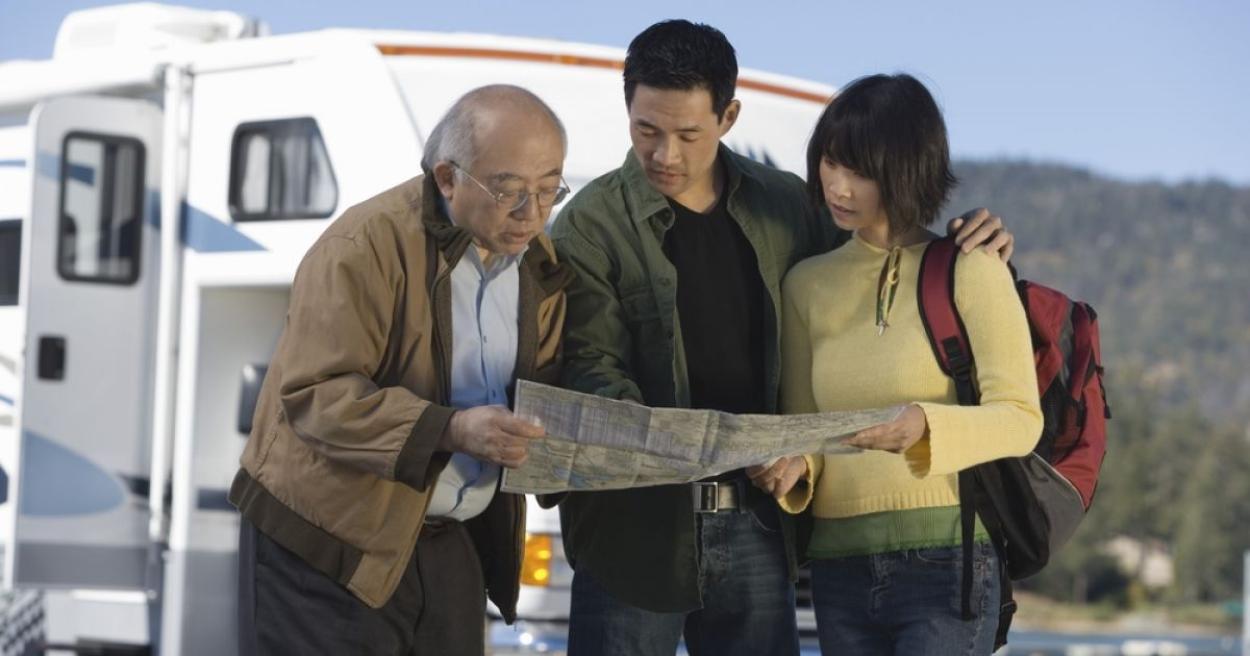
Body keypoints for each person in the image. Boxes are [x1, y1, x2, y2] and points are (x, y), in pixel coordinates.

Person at [548, 20, 1015, 656]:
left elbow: (880, 264)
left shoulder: (787, 205)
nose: (666, 155)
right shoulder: (590, 223)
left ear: (729, 116)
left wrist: (975, 241)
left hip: (759, 522)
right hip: (637, 523)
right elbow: (590, 366)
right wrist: (682, 442)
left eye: (688, 134)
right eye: (646, 131)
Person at [229, 85, 573, 656]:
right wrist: (452, 430)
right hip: (328, 542)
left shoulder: (541, 267)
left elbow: (543, 388)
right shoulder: (362, 245)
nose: (531, 213)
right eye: (510, 190)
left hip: (449, 542)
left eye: (548, 190)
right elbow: (316, 395)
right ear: (447, 178)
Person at [775, 73, 1044, 655]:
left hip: (947, 560)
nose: (838, 186)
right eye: (830, 162)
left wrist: (926, 424)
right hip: (837, 566)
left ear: (906, 173)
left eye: (861, 172)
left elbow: (1022, 418)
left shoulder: (970, 267)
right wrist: (795, 467)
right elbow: (806, 430)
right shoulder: (805, 285)